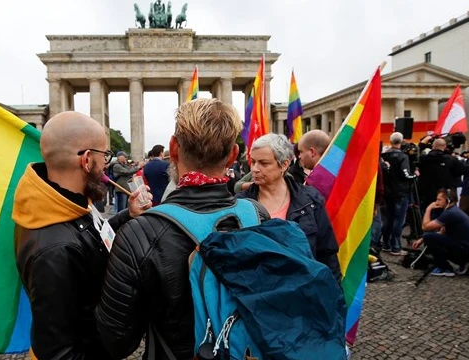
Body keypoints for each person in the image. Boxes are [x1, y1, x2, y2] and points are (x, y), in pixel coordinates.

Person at [95, 98, 270, 359]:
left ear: (174, 148)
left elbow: (116, 342)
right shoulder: (257, 214)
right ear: (234, 155)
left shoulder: (140, 233)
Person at [13, 111, 151, 360]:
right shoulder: (54, 250)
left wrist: (127, 215)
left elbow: (97, 234)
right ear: (87, 160)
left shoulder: (66, 204)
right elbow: (59, 354)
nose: (107, 163)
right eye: (105, 155)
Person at [236, 133, 341, 281]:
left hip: (305, 292)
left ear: (284, 165)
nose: (255, 169)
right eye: (253, 162)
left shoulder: (310, 201)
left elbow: (327, 254)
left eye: (263, 163)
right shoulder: (240, 205)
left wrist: (334, 297)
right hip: (258, 296)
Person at [412, 189, 469, 277]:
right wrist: (422, 239)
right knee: (430, 237)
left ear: (448, 200)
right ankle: (464, 263)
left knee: (428, 237)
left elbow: (425, 227)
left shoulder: (451, 213)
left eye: (439, 199)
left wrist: (428, 209)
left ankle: (445, 268)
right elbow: (442, 233)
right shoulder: (453, 211)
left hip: (467, 250)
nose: (436, 202)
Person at [380, 132, 416, 256]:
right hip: (401, 192)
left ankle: (385, 244)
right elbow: (405, 173)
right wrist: (414, 175)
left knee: (388, 218)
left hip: (387, 191)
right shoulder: (403, 156)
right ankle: (396, 246)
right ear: (401, 142)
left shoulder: (383, 155)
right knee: (398, 220)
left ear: (390, 141)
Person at [417, 137, 464, 209]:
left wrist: (422, 143)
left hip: (426, 192)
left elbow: (416, 156)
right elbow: (461, 171)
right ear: (445, 147)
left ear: (433, 146)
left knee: (427, 211)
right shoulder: (451, 159)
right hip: (444, 192)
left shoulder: (424, 158)